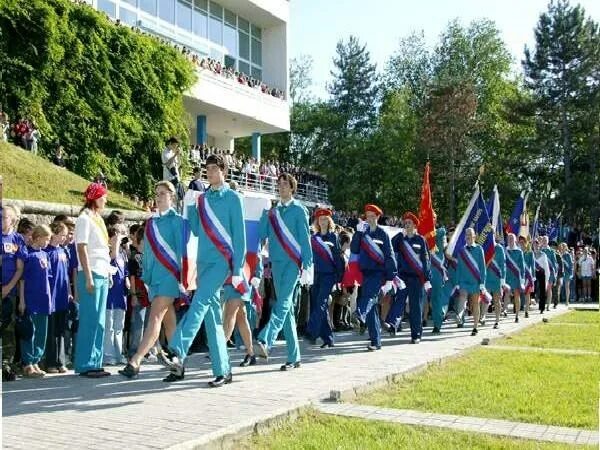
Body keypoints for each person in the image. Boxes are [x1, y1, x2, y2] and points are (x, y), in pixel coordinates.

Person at [164, 154, 245, 387]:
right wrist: (192, 209)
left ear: (223, 171)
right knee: (212, 319)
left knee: (198, 302)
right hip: (204, 260)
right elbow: (197, 232)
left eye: (213, 169)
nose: (209, 173)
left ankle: (178, 347)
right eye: (207, 169)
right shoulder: (202, 199)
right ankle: (223, 370)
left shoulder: (233, 198)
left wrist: (238, 268)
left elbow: (239, 236)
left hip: (222, 261)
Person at [120, 181, 186, 378]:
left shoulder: (178, 221)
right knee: (169, 323)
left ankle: (136, 360)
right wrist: (147, 279)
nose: (159, 197)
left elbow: (183, 252)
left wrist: (184, 278)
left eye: (163, 193)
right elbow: (147, 254)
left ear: (172, 196)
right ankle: (180, 365)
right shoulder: (151, 223)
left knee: (155, 316)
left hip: (170, 276)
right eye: (157, 193)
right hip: (154, 278)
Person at [256, 173, 313, 370]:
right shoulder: (273, 212)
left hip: (292, 264)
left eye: (285, 184)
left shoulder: (299, 210)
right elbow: (262, 234)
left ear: (292, 187)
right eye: (279, 184)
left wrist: (308, 265)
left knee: (283, 303)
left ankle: (266, 339)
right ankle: (294, 357)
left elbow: (305, 239)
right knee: (286, 311)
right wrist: (264, 215)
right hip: (276, 264)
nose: (281, 187)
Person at [73, 182, 113, 378]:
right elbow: (82, 248)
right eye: (103, 196)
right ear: (95, 198)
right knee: (90, 319)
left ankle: (95, 361)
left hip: (102, 272)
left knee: (100, 321)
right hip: (91, 273)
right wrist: (88, 276)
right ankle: (85, 363)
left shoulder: (98, 219)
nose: (105, 199)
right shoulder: (84, 219)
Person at [350, 204, 397, 351]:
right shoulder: (363, 233)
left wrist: (390, 277)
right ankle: (376, 341)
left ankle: (359, 314)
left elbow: (389, 255)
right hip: (366, 273)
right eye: (367, 216)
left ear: (377, 217)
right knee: (372, 309)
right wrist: (357, 233)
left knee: (369, 298)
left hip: (378, 273)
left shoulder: (383, 234)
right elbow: (354, 249)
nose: (369, 219)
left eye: (372, 216)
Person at [387, 212, 430, 344]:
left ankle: (416, 334)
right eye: (405, 223)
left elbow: (425, 259)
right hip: (403, 277)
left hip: (416, 278)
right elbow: (390, 248)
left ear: (415, 225)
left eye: (409, 223)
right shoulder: (401, 239)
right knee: (398, 301)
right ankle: (392, 324)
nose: (407, 225)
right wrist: (400, 234)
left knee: (415, 307)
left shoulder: (420, 240)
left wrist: (427, 277)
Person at [305, 208, 344, 348]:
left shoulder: (333, 237)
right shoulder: (314, 238)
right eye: (320, 219)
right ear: (317, 221)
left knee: (321, 303)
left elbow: (339, 259)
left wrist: (339, 279)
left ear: (329, 221)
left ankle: (311, 331)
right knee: (317, 305)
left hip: (328, 275)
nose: (322, 221)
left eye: (325, 219)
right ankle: (328, 338)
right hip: (315, 276)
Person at [19, 225, 52, 378]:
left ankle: (36, 360)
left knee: (41, 332)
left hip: (44, 300)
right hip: (31, 299)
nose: (48, 242)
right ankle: (27, 363)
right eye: (46, 239)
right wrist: (22, 301)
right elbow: (23, 280)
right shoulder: (27, 255)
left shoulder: (45, 255)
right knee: (29, 332)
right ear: (38, 238)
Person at [44, 221, 72, 373]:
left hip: (62, 296)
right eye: (62, 235)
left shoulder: (63, 251)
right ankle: (50, 362)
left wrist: (69, 292)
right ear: (54, 234)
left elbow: (66, 275)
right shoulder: (47, 252)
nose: (64, 238)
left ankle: (61, 361)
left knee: (61, 330)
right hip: (51, 298)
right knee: (52, 331)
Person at [1, 205, 26, 371]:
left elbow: (20, 268)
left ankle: (6, 365)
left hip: (9, 291)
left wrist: (8, 287)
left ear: (13, 220)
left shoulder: (17, 239)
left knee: (8, 329)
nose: (1, 220)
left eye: (4, 217)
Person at [104, 227, 129, 366]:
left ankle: (119, 353)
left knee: (119, 326)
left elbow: (125, 271)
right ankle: (108, 355)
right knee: (110, 326)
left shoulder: (123, 253)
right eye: (117, 235)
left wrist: (126, 279)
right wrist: (115, 243)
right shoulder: (109, 251)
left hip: (121, 294)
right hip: (110, 295)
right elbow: (111, 258)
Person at [455, 227, 487, 336]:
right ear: (465, 237)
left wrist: (482, 283)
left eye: (470, 234)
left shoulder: (479, 249)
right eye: (466, 234)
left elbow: (482, 268)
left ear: (474, 236)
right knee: (462, 296)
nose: (468, 236)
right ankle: (459, 315)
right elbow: (459, 267)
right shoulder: (461, 250)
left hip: (475, 281)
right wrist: (458, 283)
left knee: (475, 303)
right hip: (464, 280)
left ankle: (475, 327)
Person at [430, 227, 449, 334]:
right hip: (426, 271)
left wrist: (430, 234)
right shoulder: (425, 234)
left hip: (437, 273)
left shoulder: (440, 232)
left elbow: (443, 246)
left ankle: (437, 324)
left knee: (436, 299)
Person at [485, 233, 506, 329]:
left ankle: (497, 320)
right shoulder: (485, 247)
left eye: (491, 235)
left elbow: (503, 265)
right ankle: (483, 316)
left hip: (497, 278)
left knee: (497, 300)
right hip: (487, 278)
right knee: (485, 299)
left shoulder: (499, 248)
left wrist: (502, 280)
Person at [505, 233, 525, 323]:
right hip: (507, 277)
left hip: (516, 277)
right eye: (508, 239)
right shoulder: (505, 250)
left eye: (512, 239)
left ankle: (517, 315)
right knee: (506, 294)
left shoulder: (519, 251)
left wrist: (522, 280)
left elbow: (522, 267)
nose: (510, 240)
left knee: (517, 295)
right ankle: (505, 310)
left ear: (515, 240)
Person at [519, 236, 536, 318]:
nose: (521, 244)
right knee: (518, 292)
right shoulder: (518, 252)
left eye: (522, 242)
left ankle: (526, 311)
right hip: (519, 275)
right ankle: (518, 308)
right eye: (520, 243)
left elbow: (533, 265)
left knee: (527, 293)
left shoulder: (530, 253)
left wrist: (533, 276)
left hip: (527, 276)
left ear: (526, 243)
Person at [540, 236, 557, 311]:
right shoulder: (539, 250)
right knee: (542, 289)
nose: (544, 241)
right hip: (541, 272)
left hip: (550, 272)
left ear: (548, 241)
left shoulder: (551, 251)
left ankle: (548, 305)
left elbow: (554, 263)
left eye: (545, 240)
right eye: (543, 240)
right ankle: (542, 304)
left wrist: (555, 273)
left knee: (549, 288)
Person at [533, 239, 550, 313]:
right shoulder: (530, 254)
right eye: (534, 244)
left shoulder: (543, 254)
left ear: (539, 245)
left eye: (537, 244)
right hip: (533, 273)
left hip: (541, 273)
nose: (536, 245)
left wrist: (547, 276)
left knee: (542, 290)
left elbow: (546, 266)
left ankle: (542, 307)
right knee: (533, 289)